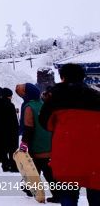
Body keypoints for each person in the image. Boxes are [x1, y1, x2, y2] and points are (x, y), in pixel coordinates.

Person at [39, 63, 100, 206]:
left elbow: (45, 123)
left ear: (62, 77)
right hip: (94, 157)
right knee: (96, 195)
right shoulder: (96, 96)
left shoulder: (55, 97)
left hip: (67, 156)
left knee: (68, 196)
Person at [19, 82, 60, 204]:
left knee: (34, 167)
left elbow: (29, 127)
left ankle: (29, 189)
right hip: (48, 142)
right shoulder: (42, 103)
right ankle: (57, 194)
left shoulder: (29, 107)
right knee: (47, 169)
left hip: (37, 143)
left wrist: (24, 143)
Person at [0, 87, 19, 172]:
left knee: (4, 148)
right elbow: (13, 120)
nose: (11, 97)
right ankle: (13, 166)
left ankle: (5, 165)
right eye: (10, 96)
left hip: (1, 130)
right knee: (13, 149)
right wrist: (17, 129)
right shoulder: (10, 105)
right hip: (11, 130)